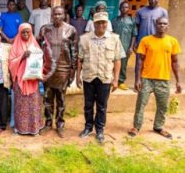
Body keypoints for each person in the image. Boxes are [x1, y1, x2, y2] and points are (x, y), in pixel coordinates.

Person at [128, 17, 181, 139]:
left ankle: (158, 126)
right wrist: (137, 79)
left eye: (164, 24)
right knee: (141, 103)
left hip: (164, 79)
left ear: (168, 26)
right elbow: (140, 61)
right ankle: (136, 127)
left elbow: (175, 62)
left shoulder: (172, 42)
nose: (162, 26)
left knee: (163, 106)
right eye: (160, 23)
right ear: (155, 25)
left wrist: (178, 81)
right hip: (147, 78)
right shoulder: (146, 40)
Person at [77, 12, 124, 143]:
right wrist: (77, 76)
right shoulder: (84, 38)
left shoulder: (114, 39)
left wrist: (115, 79)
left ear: (107, 23)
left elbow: (117, 60)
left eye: (103, 22)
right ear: (93, 23)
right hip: (88, 77)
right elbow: (80, 59)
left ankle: (99, 130)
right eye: (98, 22)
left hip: (105, 77)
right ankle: (88, 127)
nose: (101, 25)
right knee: (88, 105)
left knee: (102, 106)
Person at [39, 7, 77, 138]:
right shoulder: (45, 29)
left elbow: (74, 52)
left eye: (60, 14)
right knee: (47, 99)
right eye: (55, 14)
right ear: (51, 15)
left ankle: (60, 125)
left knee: (61, 100)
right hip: (48, 70)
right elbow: (39, 50)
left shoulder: (71, 30)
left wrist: (73, 71)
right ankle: (48, 123)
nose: (57, 16)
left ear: (64, 15)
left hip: (63, 70)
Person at [9, 23, 44, 135]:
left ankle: (34, 128)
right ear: (19, 33)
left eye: (28, 32)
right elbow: (11, 62)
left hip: (33, 81)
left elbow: (40, 60)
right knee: (21, 105)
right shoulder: (15, 45)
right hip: (20, 80)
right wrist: (22, 56)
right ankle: (21, 128)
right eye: (23, 32)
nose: (25, 34)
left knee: (34, 104)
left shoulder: (35, 44)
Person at [133, 0, 168, 78]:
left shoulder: (163, 12)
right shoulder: (140, 11)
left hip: (156, 42)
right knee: (139, 63)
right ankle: (138, 82)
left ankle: (151, 83)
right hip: (142, 42)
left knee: (153, 62)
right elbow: (136, 28)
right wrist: (135, 42)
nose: (153, 1)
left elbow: (165, 27)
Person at [111, 1, 137, 90]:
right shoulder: (114, 20)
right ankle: (113, 80)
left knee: (123, 64)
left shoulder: (132, 21)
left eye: (126, 7)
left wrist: (131, 47)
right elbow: (111, 33)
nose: (124, 9)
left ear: (129, 9)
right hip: (115, 46)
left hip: (126, 46)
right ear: (119, 9)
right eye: (122, 7)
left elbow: (134, 34)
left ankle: (121, 82)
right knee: (112, 63)